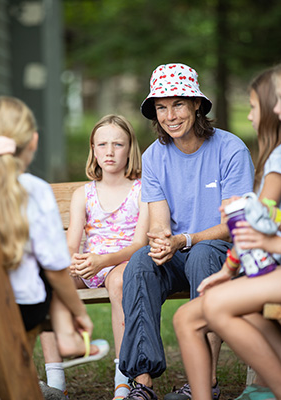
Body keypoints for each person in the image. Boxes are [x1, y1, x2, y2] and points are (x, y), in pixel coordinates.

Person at [118, 63, 255, 400]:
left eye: (178, 103)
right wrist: (164, 241)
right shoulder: (153, 158)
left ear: (197, 104)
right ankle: (142, 384)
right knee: (139, 263)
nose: (170, 115)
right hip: (180, 254)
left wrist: (187, 239)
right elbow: (160, 222)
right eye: (161, 107)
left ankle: (204, 383)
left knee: (203, 255)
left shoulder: (230, 148)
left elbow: (235, 224)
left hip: (224, 255)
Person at [0, 96, 109, 397]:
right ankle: (68, 339)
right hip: (19, 310)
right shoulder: (34, 190)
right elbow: (56, 269)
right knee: (42, 272)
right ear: (33, 141)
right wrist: (81, 315)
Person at [171, 64, 281, 400]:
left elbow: (259, 231)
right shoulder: (273, 157)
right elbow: (260, 225)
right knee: (185, 318)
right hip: (265, 270)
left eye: (253, 106)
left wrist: (256, 233)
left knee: (217, 305)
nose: (250, 116)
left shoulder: (276, 162)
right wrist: (229, 268)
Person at [40, 114, 149, 400]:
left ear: (130, 148)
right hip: (90, 264)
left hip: (124, 263)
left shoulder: (142, 189)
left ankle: (123, 380)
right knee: (46, 282)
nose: (109, 151)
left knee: (119, 283)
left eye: (118, 144)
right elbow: (71, 242)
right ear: (93, 149)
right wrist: (73, 261)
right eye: (102, 144)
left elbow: (139, 243)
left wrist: (103, 261)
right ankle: (55, 382)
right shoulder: (83, 194)